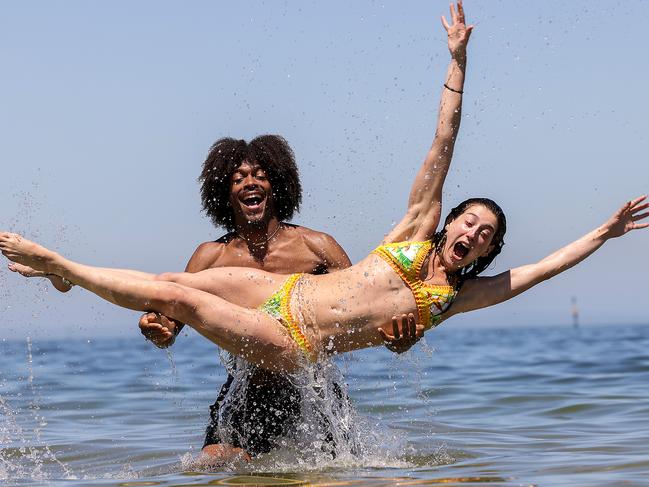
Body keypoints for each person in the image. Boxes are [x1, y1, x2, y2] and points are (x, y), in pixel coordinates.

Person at [2, 1, 648, 375]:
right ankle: (70, 276)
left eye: (484, 234)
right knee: (175, 283)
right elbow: (439, 148)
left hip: (295, 341)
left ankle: (63, 266)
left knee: (181, 295)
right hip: (280, 292)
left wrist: (603, 231)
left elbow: (541, 268)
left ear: (483, 252)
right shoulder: (409, 233)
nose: (471, 233)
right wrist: (457, 63)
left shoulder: (460, 296)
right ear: (447, 223)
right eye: (467, 221)